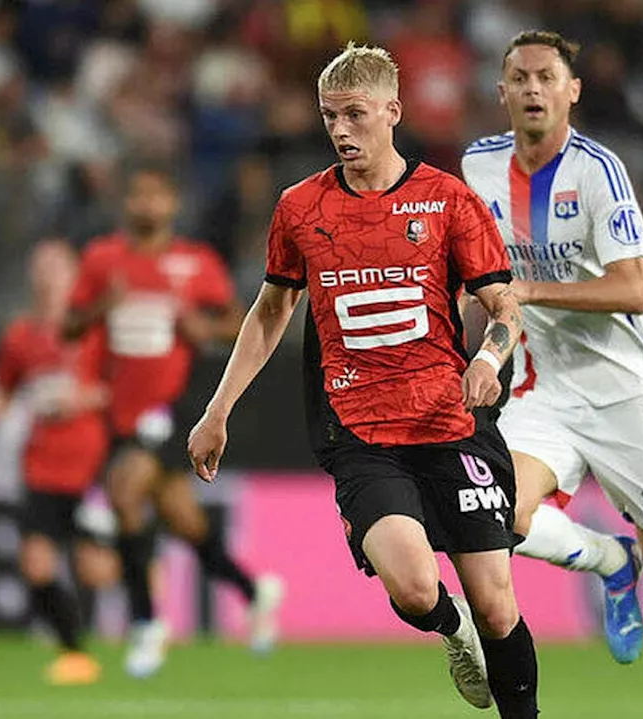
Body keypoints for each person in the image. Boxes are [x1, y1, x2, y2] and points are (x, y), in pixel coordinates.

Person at [188, 43, 540, 718]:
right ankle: (449, 627)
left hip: (451, 421)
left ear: (392, 112)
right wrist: (218, 409)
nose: (342, 130)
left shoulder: (447, 200)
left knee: (498, 605)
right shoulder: (301, 208)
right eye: (330, 117)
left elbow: (503, 306)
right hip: (359, 429)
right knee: (413, 589)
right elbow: (270, 311)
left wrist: (488, 359)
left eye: (355, 114)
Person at [461, 31, 643, 717]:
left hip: (625, 393)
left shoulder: (598, 172)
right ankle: (610, 561)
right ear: (500, 92)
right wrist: (485, 343)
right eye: (519, 77)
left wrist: (525, 291)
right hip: (541, 390)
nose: (532, 89)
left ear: (571, 91)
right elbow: (477, 277)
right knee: (498, 516)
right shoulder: (477, 166)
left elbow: (634, 288)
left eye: (546, 77)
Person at [64, 165, 284, 678]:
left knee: (123, 491)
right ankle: (256, 593)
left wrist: (201, 326)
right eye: (137, 195)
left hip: (174, 406)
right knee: (185, 523)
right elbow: (71, 327)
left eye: (155, 195)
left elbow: (239, 323)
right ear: (127, 204)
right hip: (122, 413)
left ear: (171, 204)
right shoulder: (102, 260)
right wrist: (102, 306)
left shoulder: (195, 263)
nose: (146, 205)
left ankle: (145, 624)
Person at [0, 239, 118, 685]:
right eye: (40, 266)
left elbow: (120, 388)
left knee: (97, 570)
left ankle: (141, 566)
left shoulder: (96, 331)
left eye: (56, 265)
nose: (47, 274)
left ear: (75, 275)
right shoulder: (19, 336)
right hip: (40, 462)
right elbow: (5, 389)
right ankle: (74, 654)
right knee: (35, 562)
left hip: (90, 461)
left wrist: (84, 397)